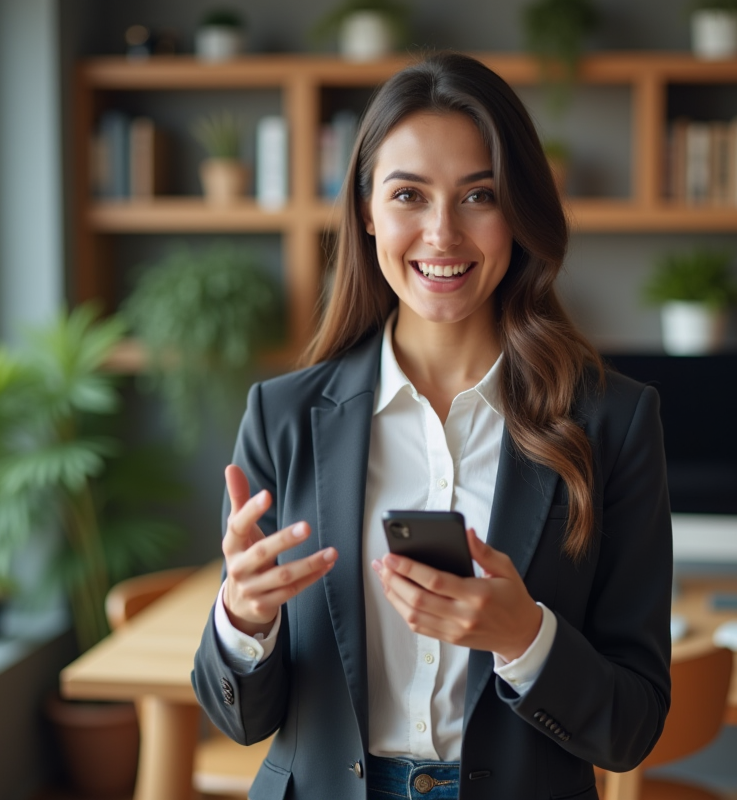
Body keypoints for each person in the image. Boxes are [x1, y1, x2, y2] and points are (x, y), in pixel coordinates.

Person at [193, 52, 671, 800]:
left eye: (478, 195)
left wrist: (524, 639)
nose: (442, 233)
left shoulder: (613, 421)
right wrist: (241, 620)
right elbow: (241, 720)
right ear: (366, 211)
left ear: (518, 212)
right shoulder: (281, 418)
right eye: (409, 194)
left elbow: (633, 726)